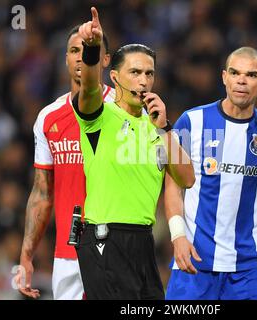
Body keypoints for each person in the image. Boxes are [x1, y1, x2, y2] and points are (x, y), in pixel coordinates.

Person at [165, 47, 257, 300]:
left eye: (251, 75)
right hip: (195, 262)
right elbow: (173, 186)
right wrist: (177, 236)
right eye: (235, 73)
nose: (241, 80)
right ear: (224, 77)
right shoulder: (191, 121)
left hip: (248, 267)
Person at [72, 7, 194, 300]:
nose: (143, 80)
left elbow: (187, 179)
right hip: (105, 238)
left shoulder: (159, 125)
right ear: (114, 77)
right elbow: (88, 87)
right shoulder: (99, 116)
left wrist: (165, 128)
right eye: (135, 72)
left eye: (149, 73)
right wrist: (91, 48)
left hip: (143, 241)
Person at [15, 25, 115, 300]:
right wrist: (26, 254)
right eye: (74, 50)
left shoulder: (124, 111)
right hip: (67, 255)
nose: (81, 57)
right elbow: (42, 192)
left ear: (105, 59)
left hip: (115, 249)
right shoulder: (48, 118)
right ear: (66, 59)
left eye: (90, 49)